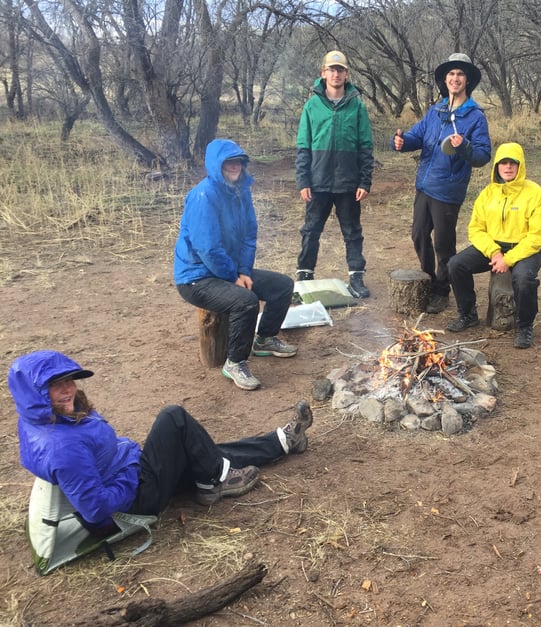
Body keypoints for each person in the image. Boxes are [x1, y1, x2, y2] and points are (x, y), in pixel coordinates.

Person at [9, 350, 314, 532]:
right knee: (173, 417)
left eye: (69, 380)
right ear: (35, 394)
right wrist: (130, 473)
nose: (68, 389)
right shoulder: (62, 447)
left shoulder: (44, 418)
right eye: (55, 385)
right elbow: (95, 509)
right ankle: (217, 481)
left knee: (202, 451)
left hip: (129, 473)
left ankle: (285, 441)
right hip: (139, 498)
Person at [175, 138, 296, 391]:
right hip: (196, 277)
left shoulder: (241, 191)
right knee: (246, 301)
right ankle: (235, 361)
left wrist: (242, 270)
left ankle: (264, 338)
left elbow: (249, 234)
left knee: (282, 286)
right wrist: (233, 277)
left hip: (227, 269)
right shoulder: (203, 196)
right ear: (215, 164)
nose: (234, 166)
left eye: (238, 161)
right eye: (228, 161)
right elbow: (207, 248)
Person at [392, 53, 491, 314]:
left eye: (460, 74)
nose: (455, 78)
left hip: (448, 190)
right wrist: (403, 143)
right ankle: (428, 279)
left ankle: (441, 290)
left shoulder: (475, 116)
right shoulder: (436, 111)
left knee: (443, 244)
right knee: (418, 235)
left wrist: (464, 147)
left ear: (467, 81)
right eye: (451, 74)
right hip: (424, 184)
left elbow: (482, 156)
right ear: (445, 80)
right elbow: (417, 135)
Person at [445, 142, 541, 349]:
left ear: (520, 166)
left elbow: (536, 236)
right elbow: (476, 229)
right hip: (493, 246)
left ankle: (524, 326)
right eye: (503, 163)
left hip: (525, 248)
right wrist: (494, 251)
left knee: (523, 279)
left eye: (512, 163)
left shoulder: (536, 193)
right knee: (456, 265)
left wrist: (508, 259)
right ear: (496, 167)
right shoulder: (487, 193)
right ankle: (468, 314)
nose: (508, 167)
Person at [295, 50, 374, 299]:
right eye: (331, 69)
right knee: (311, 230)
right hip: (317, 182)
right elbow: (303, 146)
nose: (336, 74)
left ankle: (356, 277)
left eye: (340, 70)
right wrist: (303, 180)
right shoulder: (311, 106)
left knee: (352, 231)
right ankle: (304, 275)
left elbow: (365, 146)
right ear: (323, 73)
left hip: (348, 183)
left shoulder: (357, 106)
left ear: (346, 74)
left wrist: (365, 180)